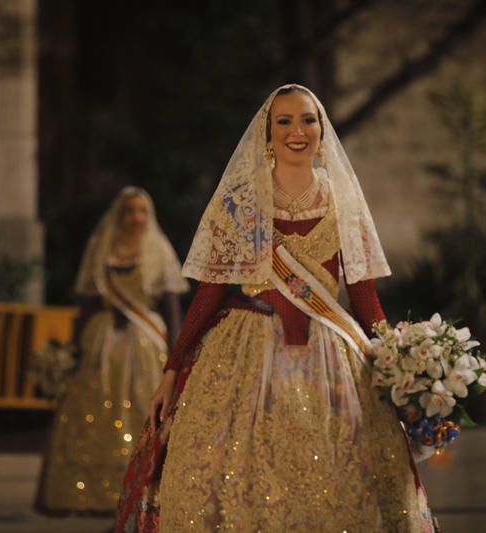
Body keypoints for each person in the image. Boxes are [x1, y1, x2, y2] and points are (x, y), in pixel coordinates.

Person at [115, 85, 436, 532]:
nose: (296, 131)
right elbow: (210, 292)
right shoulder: (242, 202)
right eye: (283, 121)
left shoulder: (344, 203)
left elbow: (365, 300)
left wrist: (408, 367)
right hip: (245, 352)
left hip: (331, 360)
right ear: (267, 133)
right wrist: (172, 369)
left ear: (322, 130)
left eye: (307, 119)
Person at [35, 186, 188, 516]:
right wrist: (72, 350)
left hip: (145, 346)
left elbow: (170, 306)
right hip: (100, 343)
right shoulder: (102, 249)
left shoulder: (158, 250)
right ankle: (92, 495)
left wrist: (176, 352)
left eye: (141, 211)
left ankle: (145, 488)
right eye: (129, 211)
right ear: (119, 215)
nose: (135, 217)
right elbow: (87, 304)